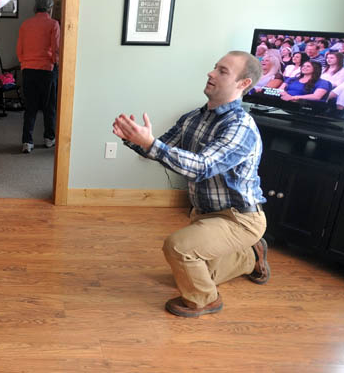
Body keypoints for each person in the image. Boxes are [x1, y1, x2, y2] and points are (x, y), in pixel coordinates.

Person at [112, 51, 269, 318]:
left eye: (222, 71)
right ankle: (251, 256)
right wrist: (136, 139)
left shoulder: (240, 126)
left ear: (243, 84)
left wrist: (151, 144)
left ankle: (205, 301)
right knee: (195, 273)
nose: (211, 73)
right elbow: (159, 149)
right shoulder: (193, 118)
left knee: (178, 248)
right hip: (205, 214)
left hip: (240, 219)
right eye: (214, 67)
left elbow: (201, 167)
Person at [16, 0, 60, 153]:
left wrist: (25, 62)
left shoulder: (25, 24)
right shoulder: (53, 24)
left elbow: (19, 49)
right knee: (49, 107)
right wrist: (55, 63)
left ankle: (27, 142)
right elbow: (56, 49)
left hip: (28, 69)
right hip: (47, 70)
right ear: (50, 9)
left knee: (30, 107)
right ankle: (49, 138)